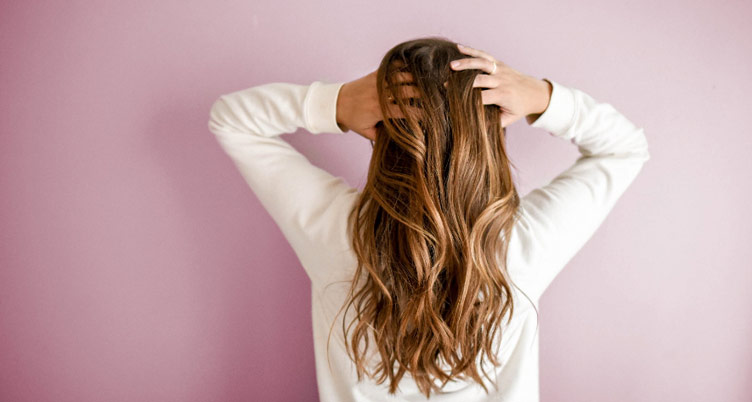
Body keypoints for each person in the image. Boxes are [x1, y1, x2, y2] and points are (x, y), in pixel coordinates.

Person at [207, 36, 650, 402]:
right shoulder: (520, 247)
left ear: (380, 129)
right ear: (490, 136)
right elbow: (625, 147)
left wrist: (336, 103)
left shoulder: (338, 234)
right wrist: (541, 97)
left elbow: (231, 120)